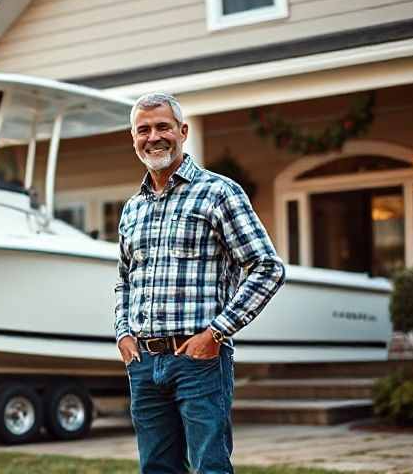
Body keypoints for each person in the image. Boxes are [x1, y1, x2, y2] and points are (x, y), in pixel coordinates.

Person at [114, 93, 286, 474]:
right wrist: (123, 333)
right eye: (144, 129)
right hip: (144, 363)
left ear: (183, 131)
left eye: (163, 127)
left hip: (199, 362)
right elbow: (125, 280)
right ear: (134, 138)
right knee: (157, 468)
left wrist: (216, 334)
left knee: (210, 466)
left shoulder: (219, 192)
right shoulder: (133, 208)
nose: (153, 137)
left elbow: (267, 267)